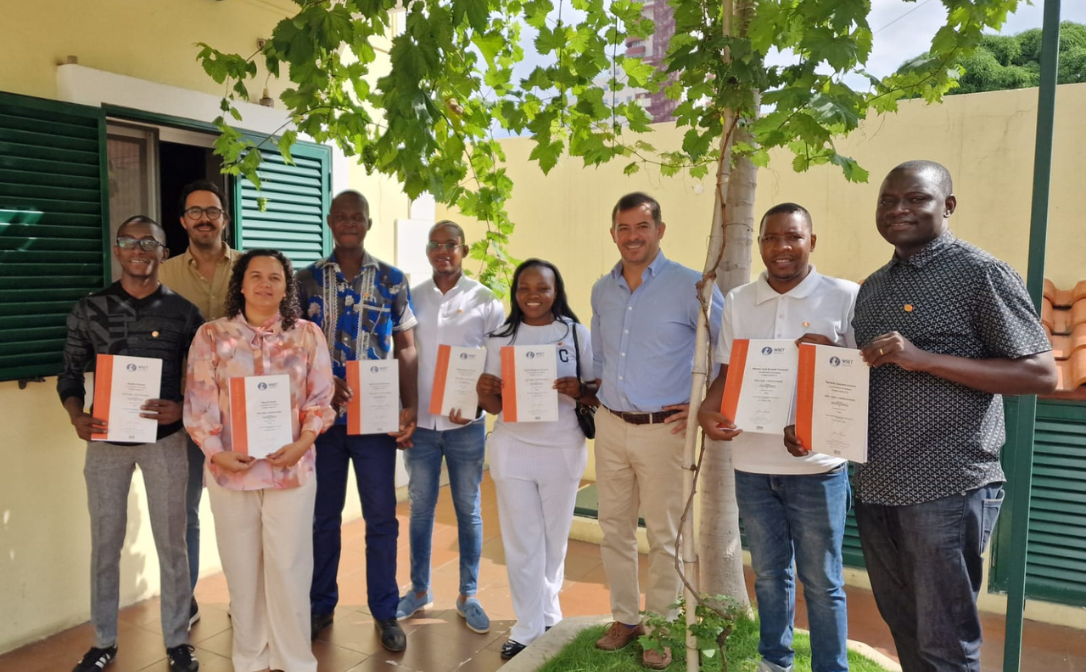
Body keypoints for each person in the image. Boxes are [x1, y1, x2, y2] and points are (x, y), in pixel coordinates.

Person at [789, 161, 1056, 671]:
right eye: (888, 201)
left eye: (916, 199)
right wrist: (816, 413)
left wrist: (924, 357)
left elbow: (1041, 375)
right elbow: (871, 374)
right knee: (904, 628)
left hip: (946, 488)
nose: (898, 211)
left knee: (945, 641)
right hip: (876, 486)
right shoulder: (874, 287)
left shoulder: (980, 273)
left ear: (948, 207)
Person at [699, 203, 855, 672]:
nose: (781, 248)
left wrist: (816, 429)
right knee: (768, 576)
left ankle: (831, 667)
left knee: (822, 581)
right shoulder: (741, 299)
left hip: (817, 468)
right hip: (751, 466)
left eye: (793, 237)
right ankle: (775, 662)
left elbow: (856, 382)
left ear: (812, 242)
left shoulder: (844, 296)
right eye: (771, 238)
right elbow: (728, 372)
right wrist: (710, 408)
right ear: (761, 242)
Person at [58, 216, 203, 672]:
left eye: (149, 242)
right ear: (117, 250)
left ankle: (178, 640)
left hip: (165, 442)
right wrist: (76, 415)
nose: (138, 249)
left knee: (172, 543)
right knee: (106, 543)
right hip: (105, 442)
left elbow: (201, 379)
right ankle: (103, 641)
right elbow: (69, 372)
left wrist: (182, 407)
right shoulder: (89, 308)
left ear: (164, 252)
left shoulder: (185, 312)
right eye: (128, 241)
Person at [184, 248, 335, 672]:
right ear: (241, 284)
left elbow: (321, 399)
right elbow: (198, 402)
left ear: (287, 286)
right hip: (233, 472)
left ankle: (293, 658)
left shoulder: (307, 335)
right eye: (256, 276)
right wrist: (217, 452)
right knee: (242, 567)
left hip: (292, 468)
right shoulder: (212, 335)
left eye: (275, 277)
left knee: (289, 566)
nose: (265, 285)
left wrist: (304, 442)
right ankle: (250, 657)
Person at [590, 192, 724, 669]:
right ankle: (626, 618)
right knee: (614, 529)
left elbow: (723, 356)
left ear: (660, 230)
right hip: (610, 425)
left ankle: (661, 628)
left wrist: (700, 403)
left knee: (665, 535)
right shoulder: (601, 290)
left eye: (642, 227)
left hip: (664, 433)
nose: (633, 237)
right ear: (613, 234)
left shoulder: (693, 287)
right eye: (623, 229)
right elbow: (601, 358)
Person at [300, 190, 419, 652]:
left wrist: (409, 406)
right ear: (330, 221)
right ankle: (319, 605)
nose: (349, 222)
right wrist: (328, 378)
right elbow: (293, 349)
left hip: (375, 423)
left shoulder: (392, 279)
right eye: (342, 216)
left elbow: (407, 347)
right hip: (322, 422)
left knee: (381, 519)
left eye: (358, 217)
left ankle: (385, 612)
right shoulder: (304, 280)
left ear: (368, 223)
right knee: (322, 518)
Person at [476, 259, 592, 660]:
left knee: (554, 541)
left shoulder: (575, 335)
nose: (533, 296)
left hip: (562, 448)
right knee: (522, 541)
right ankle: (529, 627)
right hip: (513, 448)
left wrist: (578, 389)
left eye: (541, 288)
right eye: (524, 288)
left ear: (555, 290)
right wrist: (483, 390)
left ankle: (549, 613)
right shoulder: (500, 338)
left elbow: (594, 393)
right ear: (515, 293)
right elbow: (491, 404)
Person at [397, 221, 505, 633]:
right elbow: (400, 352)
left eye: (451, 245)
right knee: (420, 509)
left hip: (466, 427)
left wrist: (478, 403)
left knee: (469, 510)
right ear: (428, 250)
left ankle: (468, 594)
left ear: (464, 249)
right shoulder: (412, 297)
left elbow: (494, 363)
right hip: (421, 425)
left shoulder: (486, 300)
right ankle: (420, 590)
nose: (443, 251)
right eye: (435, 244)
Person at [159, 179, 242, 626]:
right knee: (185, 510)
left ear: (224, 219)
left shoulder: (250, 267)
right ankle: (186, 600)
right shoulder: (164, 273)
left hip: (243, 413)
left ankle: (244, 596)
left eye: (212, 210)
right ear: (183, 221)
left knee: (241, 511)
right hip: (186, 413)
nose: (204, 218)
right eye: (195, 212)